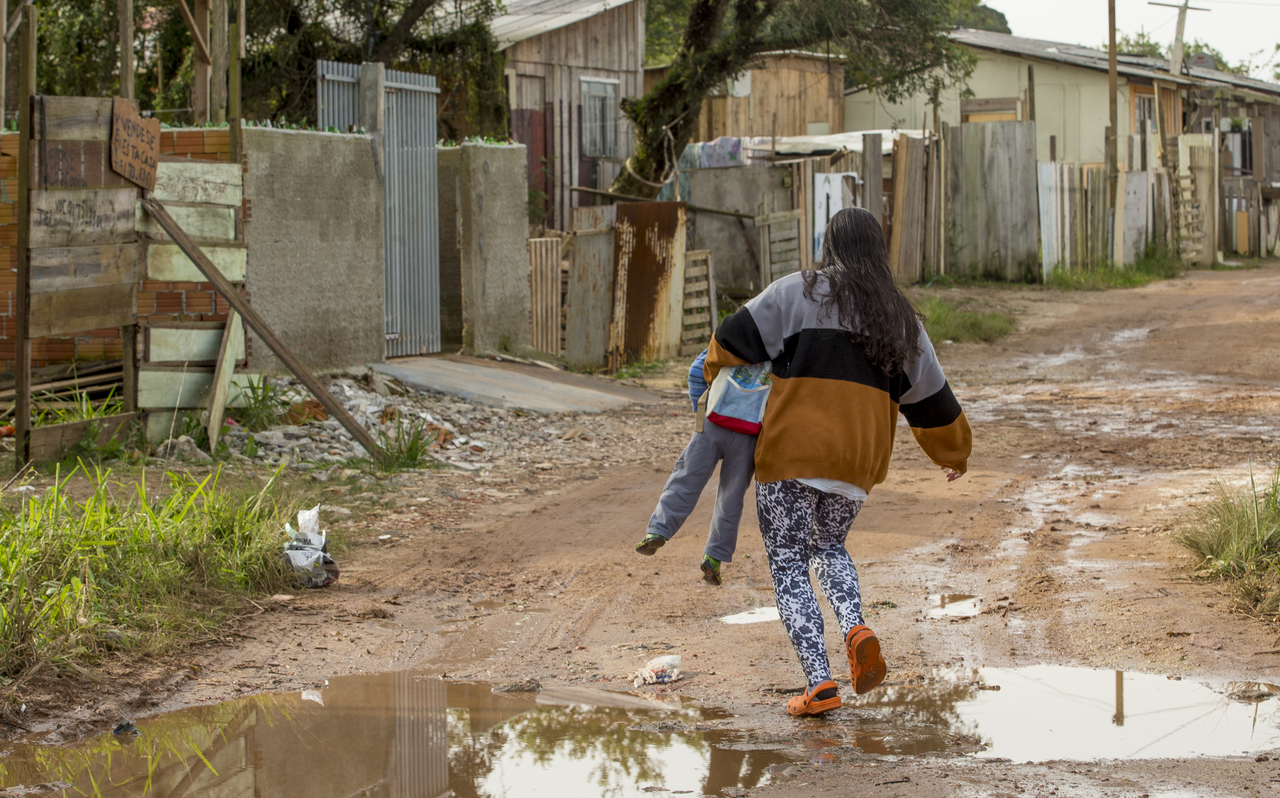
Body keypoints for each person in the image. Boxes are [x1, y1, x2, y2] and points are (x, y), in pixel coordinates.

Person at [704, 207, 971, 717]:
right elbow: (932, 396)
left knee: (787, 561)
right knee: (830, 545)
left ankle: (819, 683)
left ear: (831, 246)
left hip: (791, 454)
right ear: (878, 250)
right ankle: (855, 626)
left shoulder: (794, 292)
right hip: (857, 463)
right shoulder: (901, 318)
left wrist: (711, 369)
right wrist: (953, 452)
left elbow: (730, 337)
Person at [635, 349, 771, 585]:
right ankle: (714, 557)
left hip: (713, 421)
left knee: (687, 477)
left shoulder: (731, 337)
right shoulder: (781, 350)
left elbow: (697, 370)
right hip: (748, 435)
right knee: (731, 496)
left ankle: (657, 531)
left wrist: (700, 409)